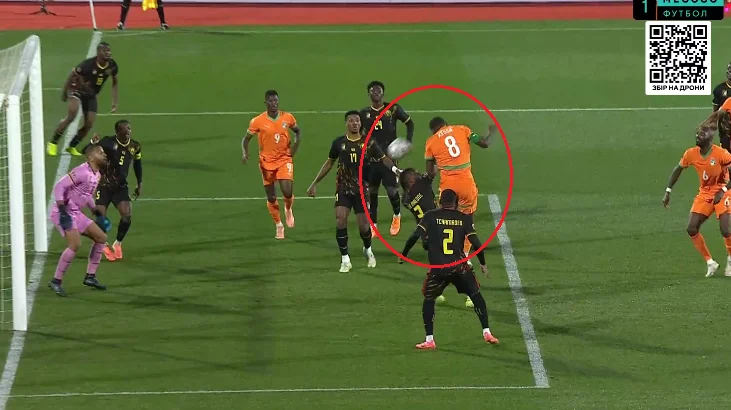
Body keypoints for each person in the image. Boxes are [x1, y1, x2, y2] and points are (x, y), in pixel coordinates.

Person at [399, 189, 499, 349]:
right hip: (459, 267)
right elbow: (476, 243)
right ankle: (487, 332)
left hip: (438, 268)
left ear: (439, 202)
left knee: (429, 299)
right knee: (476, 295)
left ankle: (429, 339)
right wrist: (483, 264)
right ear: (456, 203)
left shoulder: (430, 216)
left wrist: (403, 254)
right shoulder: (464, 218)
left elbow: (414, 236)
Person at [307, 110, 401, 273]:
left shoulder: (369, 142)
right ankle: (345, 259)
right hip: (343, 187)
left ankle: (368, 249)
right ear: (346, 123)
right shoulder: (339, 143)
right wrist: (314, 183)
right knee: (340, 220)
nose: (355, 123)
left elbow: (383, 158)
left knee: (363, 226)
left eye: (357, 120)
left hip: (362, 189)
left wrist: (395, 169)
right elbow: (329, 163)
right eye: (351, 120)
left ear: (360, 123)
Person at [424, 117, 496, 307]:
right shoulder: (462, 129)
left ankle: (436, 289)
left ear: (433, 130)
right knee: (467, 225)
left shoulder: (431, 142)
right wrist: (491, 133)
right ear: (446, 124)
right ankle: (465, 258)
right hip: (466, 186)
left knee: (444, 226)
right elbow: (484, 143)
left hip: (448, 189)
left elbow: (430, 173)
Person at [663, 119, 731, 277]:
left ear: (710, 138)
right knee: (691, 228)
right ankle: (710, 262)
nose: (697, 136)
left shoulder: (721, 154)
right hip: (705, 193)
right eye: (697, 134)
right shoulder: (691, 154)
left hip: (724, 191)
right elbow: (678, 169)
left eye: (701, 134)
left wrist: (722, 191)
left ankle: (730, 259)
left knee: (726, 229)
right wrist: (668, 191)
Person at [48, 145, 111, 297]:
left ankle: (90, 276)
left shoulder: (97, 174)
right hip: (63, 212)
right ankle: (56, 281)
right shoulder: (82, 171)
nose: (104, 155)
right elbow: (59, 186)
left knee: (101, 238)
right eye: (100, 153)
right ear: (91, 158)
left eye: (103, 152)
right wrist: (62, 210)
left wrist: (95, 211)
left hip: (76, 213)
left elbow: (86, 194)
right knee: (75, 244)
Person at [242, 90, 302, 240]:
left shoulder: (287, 117)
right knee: (271, 196)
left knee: (287, 191)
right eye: (271, 101)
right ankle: (279, 225)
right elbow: (246, 139)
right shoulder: (257, 121)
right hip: (266, 162)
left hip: (284, 159)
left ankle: (288, 208)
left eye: (276, 101)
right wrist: (245, 152)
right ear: (266, 103)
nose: (274, 103)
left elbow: (297, 131)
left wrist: (295, 146)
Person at [359, 81, 415, 236]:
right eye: (373, 90)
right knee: (372, 191)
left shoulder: (393, 109)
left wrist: (408, 141)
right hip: (371, 159)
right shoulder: (363, 113)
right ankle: (374, 225)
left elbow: (410, 123)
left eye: (379, 90)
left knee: (391, 190)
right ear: (369, 94)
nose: (376, 93)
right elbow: (359, 134)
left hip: (389, 158)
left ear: (383, 93)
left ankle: (397, 215)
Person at [83, 120, 142, 261]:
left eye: (129, 129)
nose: (128, 132)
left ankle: (118, 243)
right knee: (100, 219)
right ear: (117, 132)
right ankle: (103, 244)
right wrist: (92, 142)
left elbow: (138, 165)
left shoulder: (135, 146)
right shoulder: (107, 142)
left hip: (120, 186)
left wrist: (139, 183)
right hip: (104, 185)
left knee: (127, 216)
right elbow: (86, 151)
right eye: (125, 130)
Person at [47, 42, 119, 157]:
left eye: (109, 51)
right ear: (98, 52)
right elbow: (72, 76)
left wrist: (114, 102)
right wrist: (65, 92)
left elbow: (115, 82)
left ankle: (72, 146)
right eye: (105, 51)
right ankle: (53, 143)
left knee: (89, 123)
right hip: (77, 89)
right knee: (72, 115)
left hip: (91, 94)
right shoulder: (88, 64)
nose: (108, 53)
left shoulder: (112, 65)